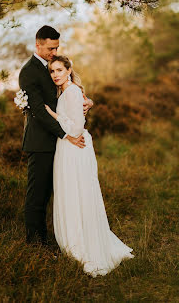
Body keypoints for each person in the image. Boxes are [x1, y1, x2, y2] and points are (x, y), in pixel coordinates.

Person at [45, 55, 134, 277]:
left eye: (59, 70)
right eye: (52, 71)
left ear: (68, 70)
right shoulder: (67, 92)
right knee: (71, 192)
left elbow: (76, 129)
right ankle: (74, 239)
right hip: (67, 148)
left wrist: (51, 113)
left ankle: (81, 243)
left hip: (74, 148)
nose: (55, 75)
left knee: (78, 192)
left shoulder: (73, 91)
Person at [19, 26, 93, 245]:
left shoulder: (54, 67)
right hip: (41, 142)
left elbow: (70, 93)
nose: (54, 51)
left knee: (60, 193)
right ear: (38, 45)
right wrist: (66, 134)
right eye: (50, 48)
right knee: (37, 196)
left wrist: (88, 102)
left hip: (60, 144)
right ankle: (35, 244)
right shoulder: (29, 71)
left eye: (57, 47)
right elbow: (40, 112)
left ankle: (64, 237)